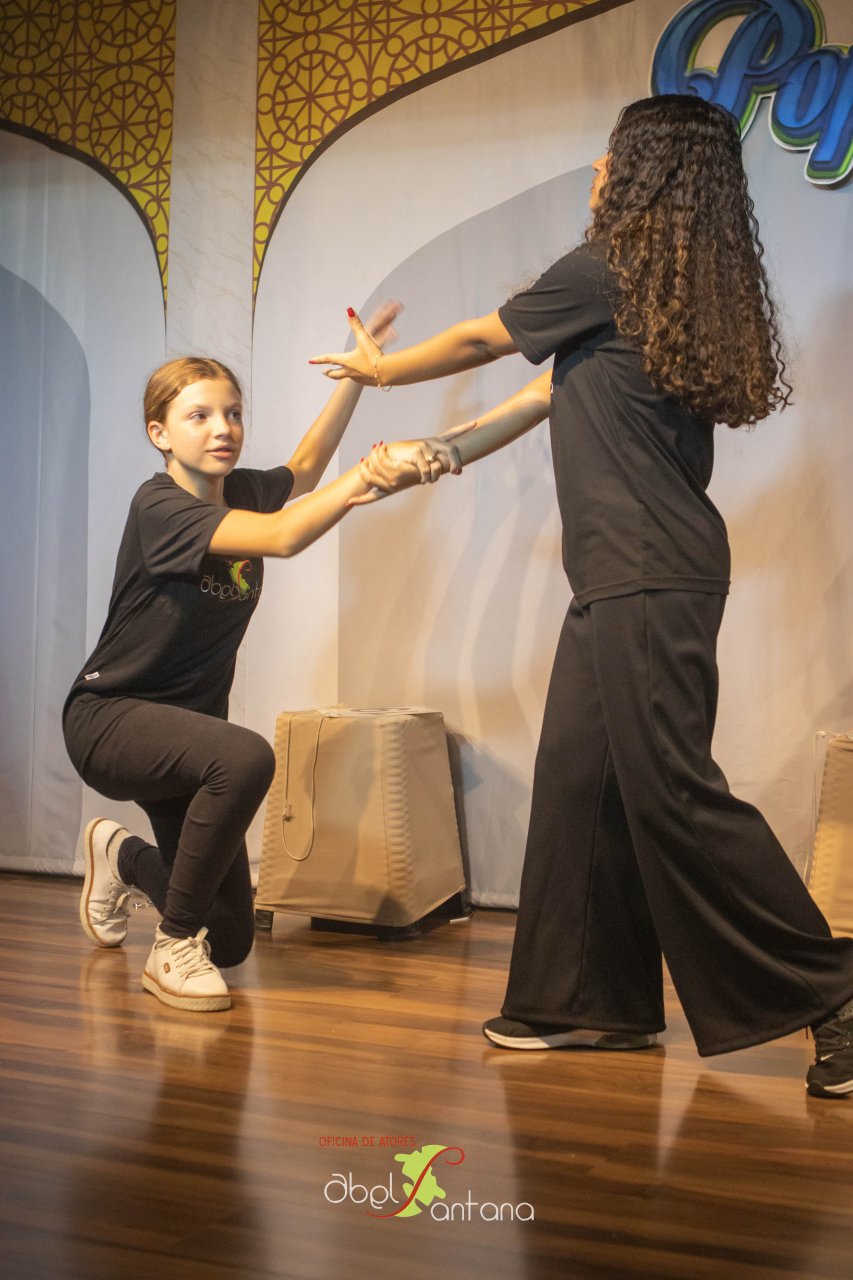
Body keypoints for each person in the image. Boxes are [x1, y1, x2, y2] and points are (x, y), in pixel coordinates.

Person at [310, 94, 853, 1098]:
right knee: (579, 782)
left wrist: (380, 370)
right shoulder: (657, 290)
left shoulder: (608, 268)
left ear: (641, 171)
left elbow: (479, 342)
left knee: (673, 794)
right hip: (623, 572)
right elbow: (537, 395)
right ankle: (584, 1002)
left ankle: (837, 991)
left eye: (609, 156)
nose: (597, 171)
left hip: (646, 569)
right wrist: (436, 453)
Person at [63, 304, 447, 1014]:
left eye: (233, 414)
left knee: (232, 939)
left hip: (187, 737)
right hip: (111, 719)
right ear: (159, 433)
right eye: (200, 416)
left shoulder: (238, 491)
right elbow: (282, 537)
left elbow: (304, 469)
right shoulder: (160, 508)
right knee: (245, 758)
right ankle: (169, 949)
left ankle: (118, 856)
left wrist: (357, 376)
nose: (223, 429)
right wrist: (369, 476)